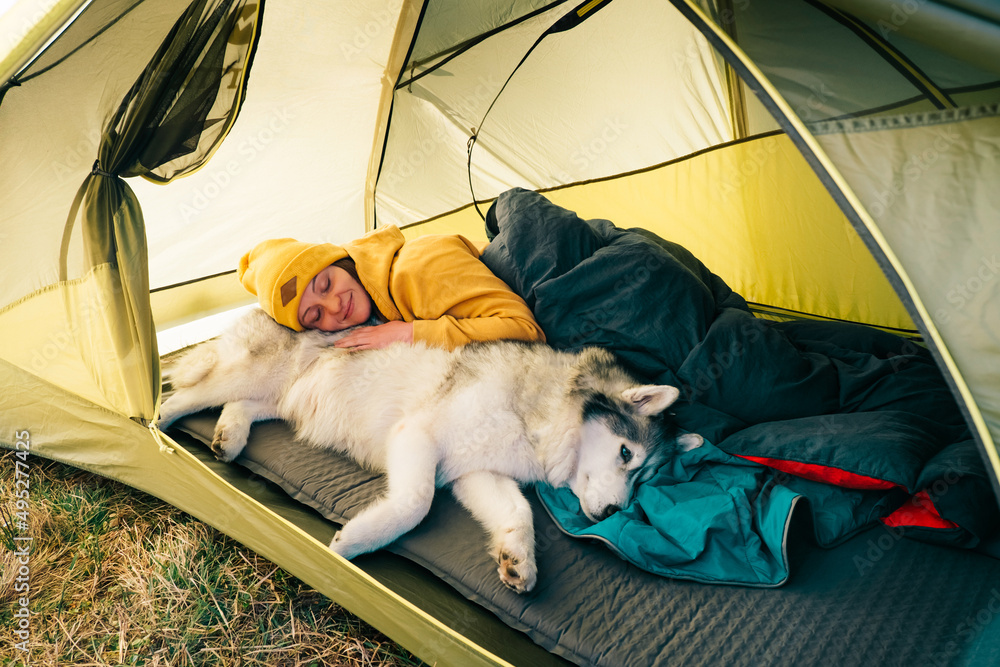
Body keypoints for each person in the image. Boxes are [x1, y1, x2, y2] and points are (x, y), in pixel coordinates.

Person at [238, 224, 545, 350]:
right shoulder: (380, 293)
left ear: (341, 261)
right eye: (315, 316)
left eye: (326, 284)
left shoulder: (418, 270)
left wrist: (409, 333)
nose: (334, 306)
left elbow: (525, 330)